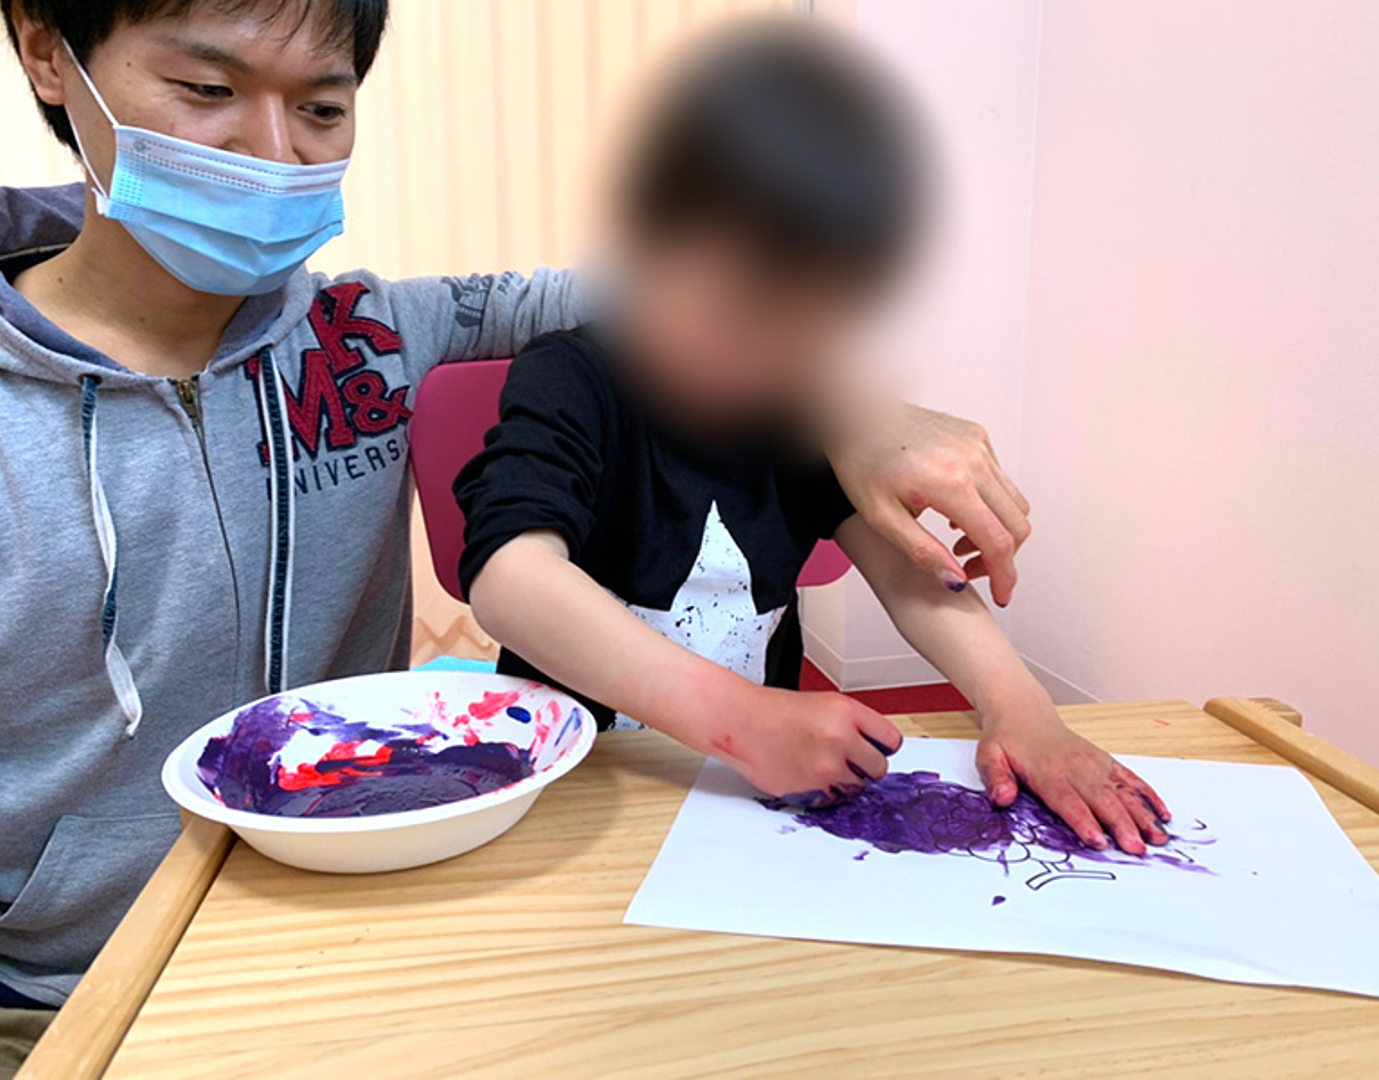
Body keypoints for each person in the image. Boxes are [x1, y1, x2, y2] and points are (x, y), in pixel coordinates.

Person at [0, 0, 1033, 1062]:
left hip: (360, 920)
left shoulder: (374, 334)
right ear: (45, 49)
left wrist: (858, 411)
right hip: (63, 991)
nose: (272, 152)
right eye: (209, 90)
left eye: (320, 108)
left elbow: (701, 296)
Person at [459, 22, 1171, 850]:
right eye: (745, 309)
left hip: (741, 812)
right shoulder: (571, 377)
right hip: (580, 793)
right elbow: (511, 577)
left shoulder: (795, 407)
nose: (773, 357)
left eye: (814, 325)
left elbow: (907, 571)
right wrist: (737, 719)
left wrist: (1021, 708)